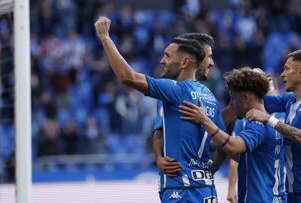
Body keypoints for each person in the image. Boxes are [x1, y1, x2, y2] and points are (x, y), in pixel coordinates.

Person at [95, 16, 225, 202]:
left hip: (181, 190)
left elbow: (127, 77)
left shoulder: (175, 90)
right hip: (206, 190)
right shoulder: (209, 96)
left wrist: (105, 37)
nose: (162, 61)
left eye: (167, 55)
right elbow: (224, 143)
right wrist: (159, 157)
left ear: (185, 62)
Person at [179, 67, 286, 202]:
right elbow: (236, 152)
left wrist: (204, 120)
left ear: (246, 98)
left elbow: (233, 147)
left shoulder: (257, 125)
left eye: (234, 99)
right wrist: (214, 167)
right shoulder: (272, 122)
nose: (232, 105)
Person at [246, 50, 301, 203]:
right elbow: (255, 101)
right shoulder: (289, 100)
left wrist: (269, 119)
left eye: (287, 69)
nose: (282, 74)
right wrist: (257, 83)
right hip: (292, 193)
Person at [152, 33, 215, 177]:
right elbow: (159, 130)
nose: (211, 62)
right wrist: (159, 158)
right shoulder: (170, 91)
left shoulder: (209, 95)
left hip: (196, 183)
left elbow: (220, 130)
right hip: (181, 181)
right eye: (209, 56)